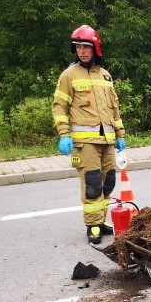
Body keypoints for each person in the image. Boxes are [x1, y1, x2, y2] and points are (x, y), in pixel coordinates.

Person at [52, 25, 127, 244]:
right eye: (78, 47)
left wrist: (120, 134)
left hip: (108, 140)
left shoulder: (105, 76)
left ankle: (101, 221)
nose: (82, 51)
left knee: (108, 182)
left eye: (86, 47)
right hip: (85, 143)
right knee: (93, 183)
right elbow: (59, 107)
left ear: (96, 49)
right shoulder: (69, 75)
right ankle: (92, 224)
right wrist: (64, 134)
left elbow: (114, 108)